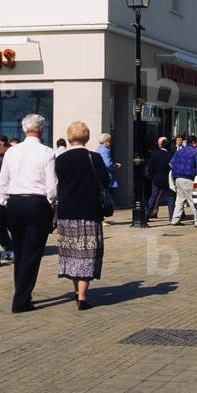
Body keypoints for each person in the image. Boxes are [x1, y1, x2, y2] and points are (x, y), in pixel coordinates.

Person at [0, 115, 56, 312]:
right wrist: (50, 202)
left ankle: (22, 292)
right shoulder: (47, 152)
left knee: (21, 251)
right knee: (32, 253)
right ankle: (21, 298)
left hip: (15, 202)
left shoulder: (12, 152)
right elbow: (52, 186)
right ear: (42, 129)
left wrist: (5, 200)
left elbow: (2, 180)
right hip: (37, 202)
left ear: (24, 130)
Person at [54, 121, 110, 310]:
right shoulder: (94, 158)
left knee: (72, 253)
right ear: (86, 137)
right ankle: (83, 296)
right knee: (87, 253)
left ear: (69, 137)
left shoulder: (60, 159)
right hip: (89, 211)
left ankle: (77, 291)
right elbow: (105, 180)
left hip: (67, 213)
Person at [169, 136, 197, 226]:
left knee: (180, 200)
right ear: (193, 142)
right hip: (188, 179)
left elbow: (171, 163)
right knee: (193, 200)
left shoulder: (178, 152)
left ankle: (175, 220)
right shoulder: (194, 153)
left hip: (177, 179)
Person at [145, 137, 175, 220]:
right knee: (170, 197)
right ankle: (171, 216)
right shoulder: (170, 155)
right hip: (167, 179)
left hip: (156, 178)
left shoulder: (154, 154)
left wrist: (151, 176)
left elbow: (150, 166)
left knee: (153, 196)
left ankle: (147, 214)